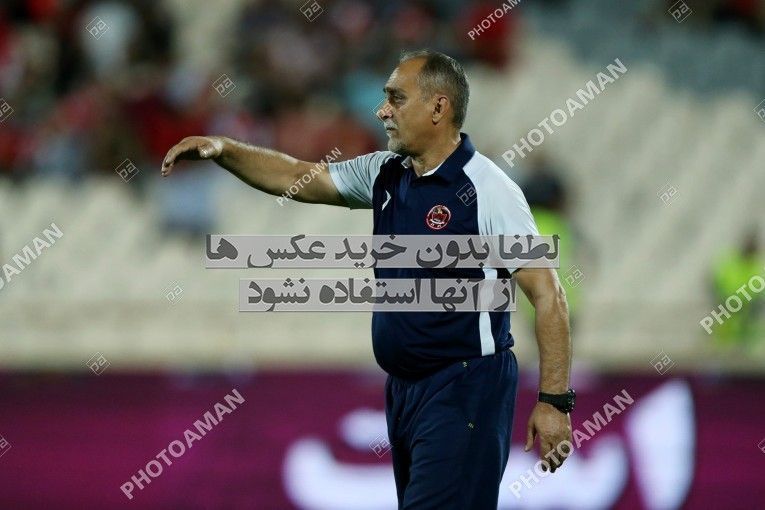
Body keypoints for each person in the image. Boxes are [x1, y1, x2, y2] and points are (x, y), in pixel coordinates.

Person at [161, 49, 573, 510]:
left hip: (465, 387)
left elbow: (548, 294)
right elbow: (298, 176)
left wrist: (555, 401)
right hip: (404, 391)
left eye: (396, 98)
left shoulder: (489, 189)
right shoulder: (385, 173)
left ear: (438, 107)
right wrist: (225, 150)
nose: (382, 111)